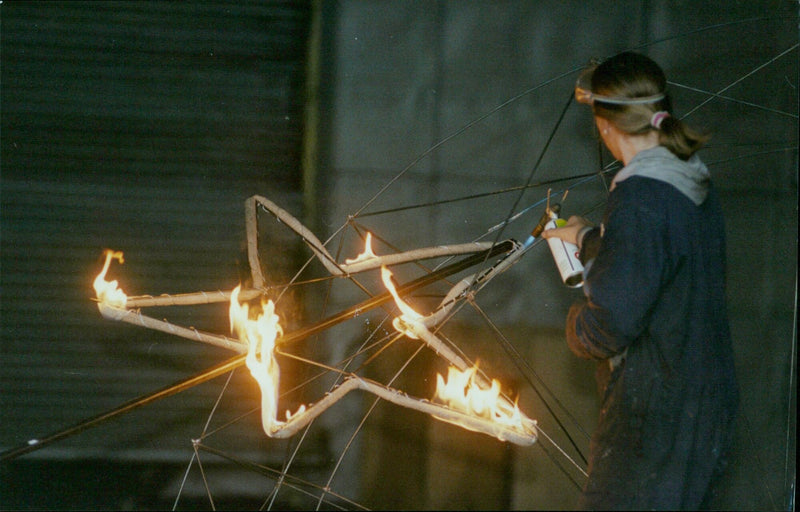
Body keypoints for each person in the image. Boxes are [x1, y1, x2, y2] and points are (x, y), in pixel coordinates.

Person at [542, 52, 738, 510]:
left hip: (654, 415)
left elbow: (611, 323)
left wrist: (574, 328)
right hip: (700, 406)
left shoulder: (640, 196)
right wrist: (589, 238)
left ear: (604, 123)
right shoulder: (688, 180)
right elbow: (661, 260)